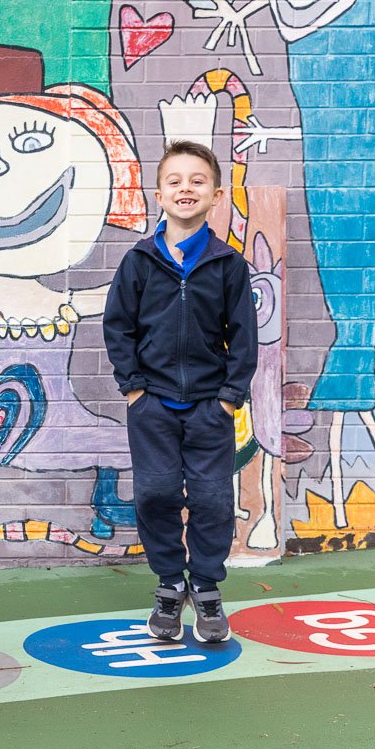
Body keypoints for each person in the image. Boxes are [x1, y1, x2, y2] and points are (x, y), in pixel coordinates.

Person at [103, 139, 256, 643]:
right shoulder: (139, 261)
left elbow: (244, 337)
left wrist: (229, 397)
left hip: (210, 408)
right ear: (159, 194)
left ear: (215, 195)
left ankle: (207, 587)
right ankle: (170, 583)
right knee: (155, 494)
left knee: (212, 498)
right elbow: (118, 327)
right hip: (153, 408)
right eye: (175, 181)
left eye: (197, 181)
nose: (185, 189)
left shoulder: (227, 265)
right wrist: (134, 391)